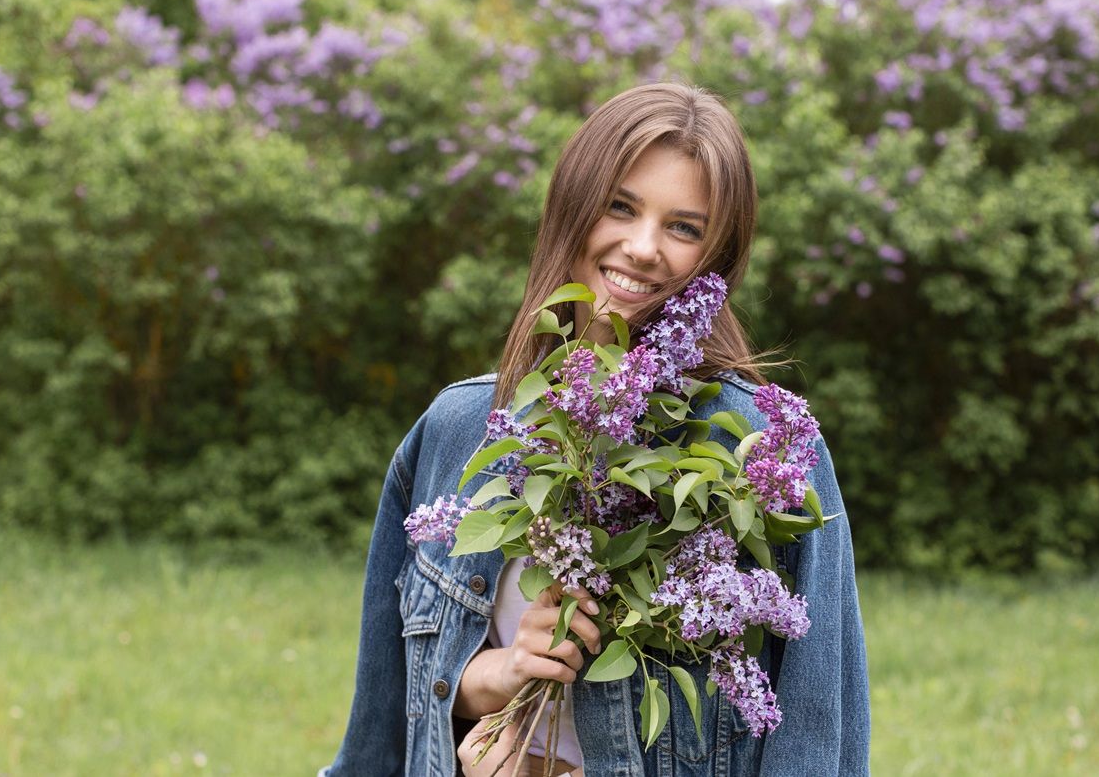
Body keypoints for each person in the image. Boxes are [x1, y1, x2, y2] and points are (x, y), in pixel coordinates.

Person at [320, 83, 870, 777]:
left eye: (684, 228)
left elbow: (819, 745)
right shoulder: (458, 430)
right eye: (620, 206)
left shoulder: (766, 456)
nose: (642, 248)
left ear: (716, 258)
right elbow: (379, 734)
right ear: (572, 208)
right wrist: (493, 676)